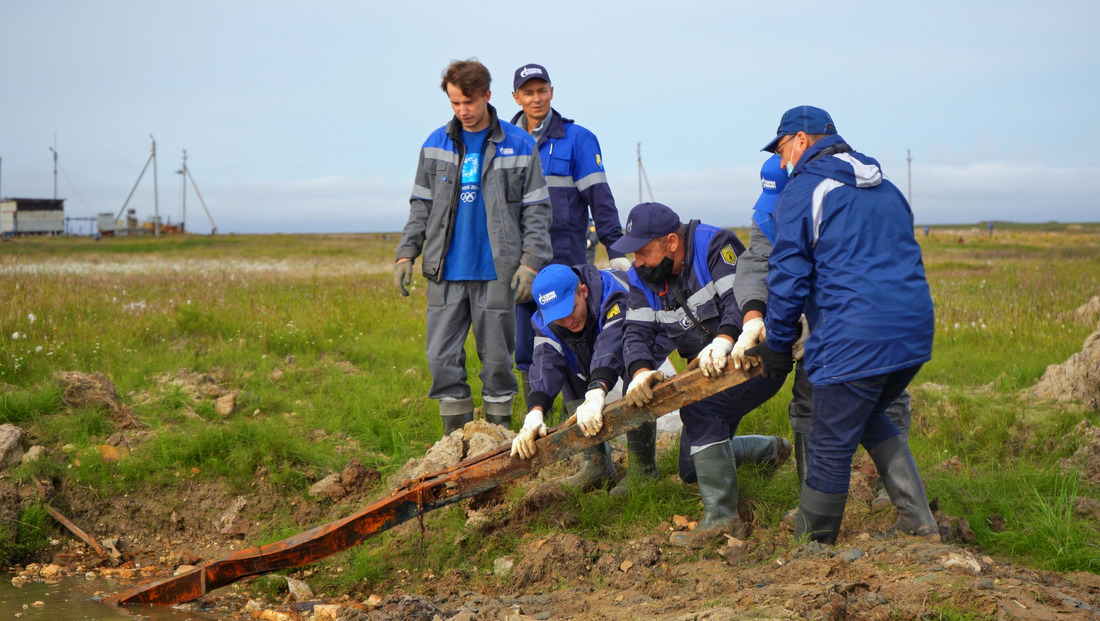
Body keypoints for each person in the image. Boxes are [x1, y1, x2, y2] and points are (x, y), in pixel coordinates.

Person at [747, 105, 939, 545]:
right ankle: (918, 520)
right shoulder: (887, 188)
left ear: (801, 139)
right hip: (913, 330)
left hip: (854, 335)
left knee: (830, 442)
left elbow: (788, 274)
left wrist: (777, 344)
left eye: (780, 149)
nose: (780, 162)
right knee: (870, 413)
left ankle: (812, 548)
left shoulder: (805, 189)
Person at [730, 154, 914, 520]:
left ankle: (889, 493)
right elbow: (756, 264)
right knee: (808, 405)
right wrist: (754, 317)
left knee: (883, 398)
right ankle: (812, 505)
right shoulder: (767, 216)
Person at [394, 59, 552, 438]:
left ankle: (498, 444)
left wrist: (531, 264)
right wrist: (405, 253)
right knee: (440, 360)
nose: (462, 111)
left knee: (497, 363)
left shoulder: (519, 144)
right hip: (444, 272)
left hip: (497, 273)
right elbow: (421, 206)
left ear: (487, 96)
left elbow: (537, 210)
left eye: (469, 102)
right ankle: (454, 446)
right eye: (454, 103)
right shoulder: (435, 144)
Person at [616, 202, 786, 547]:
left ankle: (724, 521)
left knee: (699, 410)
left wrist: (724, 341)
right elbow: (636, 333)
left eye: (645, 252)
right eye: (634, 255)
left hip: (751, 361)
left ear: (672, 243)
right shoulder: (641, 278)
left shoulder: (714, 246)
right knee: (691, 470)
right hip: (704, 376)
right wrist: (639, 372)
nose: (639, 263)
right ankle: (771, 451)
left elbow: (741, 300)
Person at [509, 63, 632, 413]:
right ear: (515, 97)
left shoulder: (578, 139)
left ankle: (583, 428)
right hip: (521, 268)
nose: (536, 98)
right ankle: (537, 420)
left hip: (565, 263)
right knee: (525, 349)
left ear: (552, 91)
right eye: (528, 92)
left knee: (573, 344)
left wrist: (615, 246)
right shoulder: (504, 142)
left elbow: (600, 198)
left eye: (542, 90)